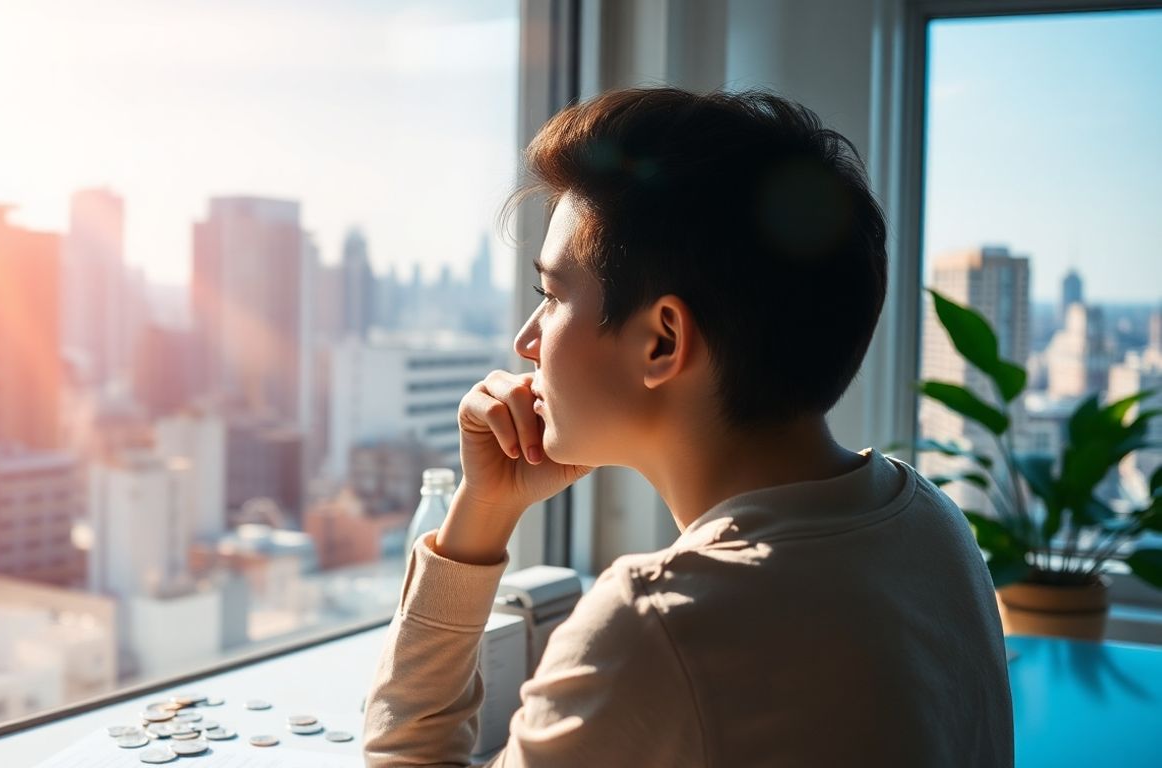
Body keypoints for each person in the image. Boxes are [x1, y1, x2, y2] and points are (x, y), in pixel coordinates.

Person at [362, 88, 1012, 767]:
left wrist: (481, 514)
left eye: (551, 297)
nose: (527, 341)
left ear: (662, 342)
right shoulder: (929, 524)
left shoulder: (657, 627)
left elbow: (405, 754)